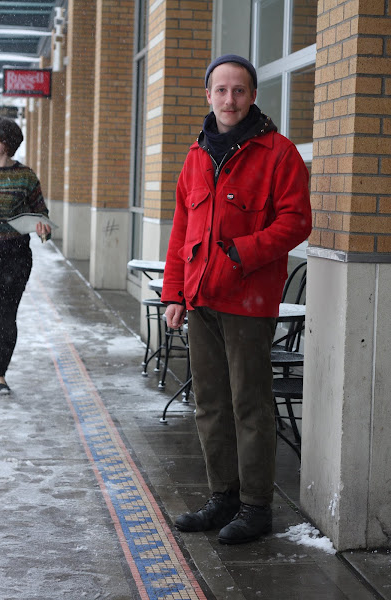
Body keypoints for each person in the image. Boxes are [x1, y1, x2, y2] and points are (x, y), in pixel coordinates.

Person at [161, 54, 312, 545]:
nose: (230, 99)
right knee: (210, 404)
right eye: (221, 90)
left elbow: (296, 221)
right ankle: (222, 497)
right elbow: (182, 230)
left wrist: (241, 253)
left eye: (239, 90)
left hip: (248, 301)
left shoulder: (278, 153)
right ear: (208, 95)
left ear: (252, 96)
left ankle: (255, 507)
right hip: (200, 299)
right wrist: (175, 292)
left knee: (250, 404)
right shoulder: (197, 154)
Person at [0, 116, 51, 394]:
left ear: (6, 142)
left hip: (15, 260)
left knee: (6, 318)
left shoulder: (26, 176)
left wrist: (43, 229)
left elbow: (42, 216)